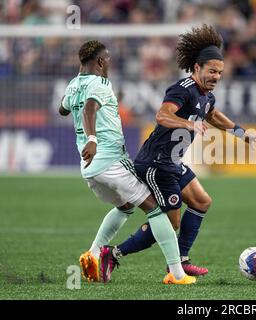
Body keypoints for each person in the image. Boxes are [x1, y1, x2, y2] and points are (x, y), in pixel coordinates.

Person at [99, 24, 256, 281]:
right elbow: (163, 115)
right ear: (197, 68)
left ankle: (182, 260)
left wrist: (243, 134)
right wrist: (189, 123)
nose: (216, 77)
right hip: (155, 164)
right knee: (170, 223)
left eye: (220, 73)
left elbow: (213, 115)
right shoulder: (183, 88)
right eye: (212, 71)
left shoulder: (206, 95)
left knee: (202, 201)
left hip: (173, 163)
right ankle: (113, 254)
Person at [58, 40, 196, 285]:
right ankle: (177, 274)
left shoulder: (73, 85)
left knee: (125, 207)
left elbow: (63, 110)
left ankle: (92, 254)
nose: (109, 62)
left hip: (89, 168)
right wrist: (92, 138)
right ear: (100, 61)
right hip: (109, 160)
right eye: (107, 58)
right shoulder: (100, 83)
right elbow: (90, 108)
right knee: (154, 208)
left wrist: (75, 100)